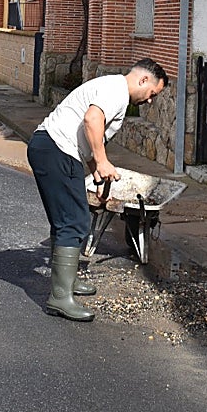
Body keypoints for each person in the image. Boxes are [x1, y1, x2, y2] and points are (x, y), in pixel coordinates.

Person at [27, 57, 169, 321]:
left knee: (67, 218)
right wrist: (102, 162)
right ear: (143, 79)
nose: (150, 101)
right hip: (56, 149)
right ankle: (60, 298)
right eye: (152, 93)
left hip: (51, 148)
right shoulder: (116, 90)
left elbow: (90, 137)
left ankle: (67, 282)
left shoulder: (112, 88)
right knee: (74, 221)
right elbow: (92, 120)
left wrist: (96, 171)